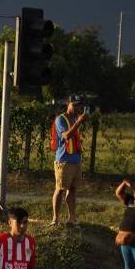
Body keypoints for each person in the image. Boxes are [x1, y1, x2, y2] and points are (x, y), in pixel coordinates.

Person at [51, 95, 87, 226]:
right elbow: (66, 136)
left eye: (79, 105)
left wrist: (78, 121)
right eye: (75, 104)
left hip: (76, 160)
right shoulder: (61, 119)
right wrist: (78, 122)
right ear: (68, 104)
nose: (77, 107)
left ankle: (72, 218)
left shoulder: (75, 119)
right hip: (64, 160)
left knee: (72, 189)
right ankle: (55, 218)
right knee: (60, 189)